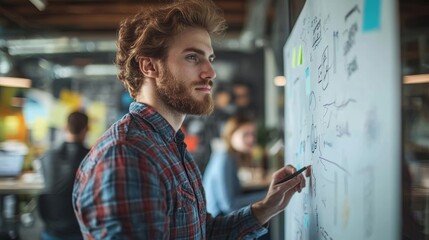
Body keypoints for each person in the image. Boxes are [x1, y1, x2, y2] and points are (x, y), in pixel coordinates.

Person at [72, 0, 309, 239]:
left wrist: (267, 207)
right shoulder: (127, 155)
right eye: (193, 57)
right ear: (149, 66)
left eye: (210, 58)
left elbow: (202, 232)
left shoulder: (170, 145)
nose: (210, 72)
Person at [38, 111, 89, 240]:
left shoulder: (47, 156)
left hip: (51, 228)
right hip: (79, 229)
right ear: (87, 129)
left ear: (65, 127)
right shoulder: (92, 157)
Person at [203, 114, 267, 217]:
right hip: (220, 223)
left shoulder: (225, 155)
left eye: (253, 134)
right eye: (245, 134)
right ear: (231, 135)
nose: (251, 139)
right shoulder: (225, 158)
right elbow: (230, 205)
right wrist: (269, 195)